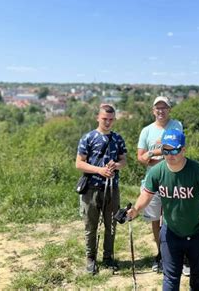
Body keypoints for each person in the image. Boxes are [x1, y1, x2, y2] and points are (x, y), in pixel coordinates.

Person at [128, 129, 199, 291]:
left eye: (174, 150)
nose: (170, 154)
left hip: (197, 231)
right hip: (171, 233)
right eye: (165, 150)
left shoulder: (196, 169)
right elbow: (145, 196)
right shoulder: (157, 171)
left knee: (198, 277)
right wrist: (134, 211)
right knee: (170, 277)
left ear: (183, 149)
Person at [76, 103, 127, 274]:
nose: (108, 122)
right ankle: (91, 258)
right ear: (98, 117)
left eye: (111, 119)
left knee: (111, 224)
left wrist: (116, 166)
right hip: (91, 188)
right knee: (90, 226)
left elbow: (124, 161)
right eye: (105, 119)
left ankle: (108, 257)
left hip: (112, 188)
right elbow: (79, 163)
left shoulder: (118, 138)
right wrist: (100, 170)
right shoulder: (88, 138)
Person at [137, 96, 183, 272]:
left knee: (174, 219)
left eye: (164, 107)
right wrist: (154, 156)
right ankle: (161, 254)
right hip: (153, 181)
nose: (161, 111)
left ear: (169, 109)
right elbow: (141, 157)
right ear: (153, 110)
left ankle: (177, 254)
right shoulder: (146, 131)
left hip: (174, 180)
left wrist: (155, 152)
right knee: (155, 220)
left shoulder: (176, 125)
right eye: (158, 108)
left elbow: (177, 149)